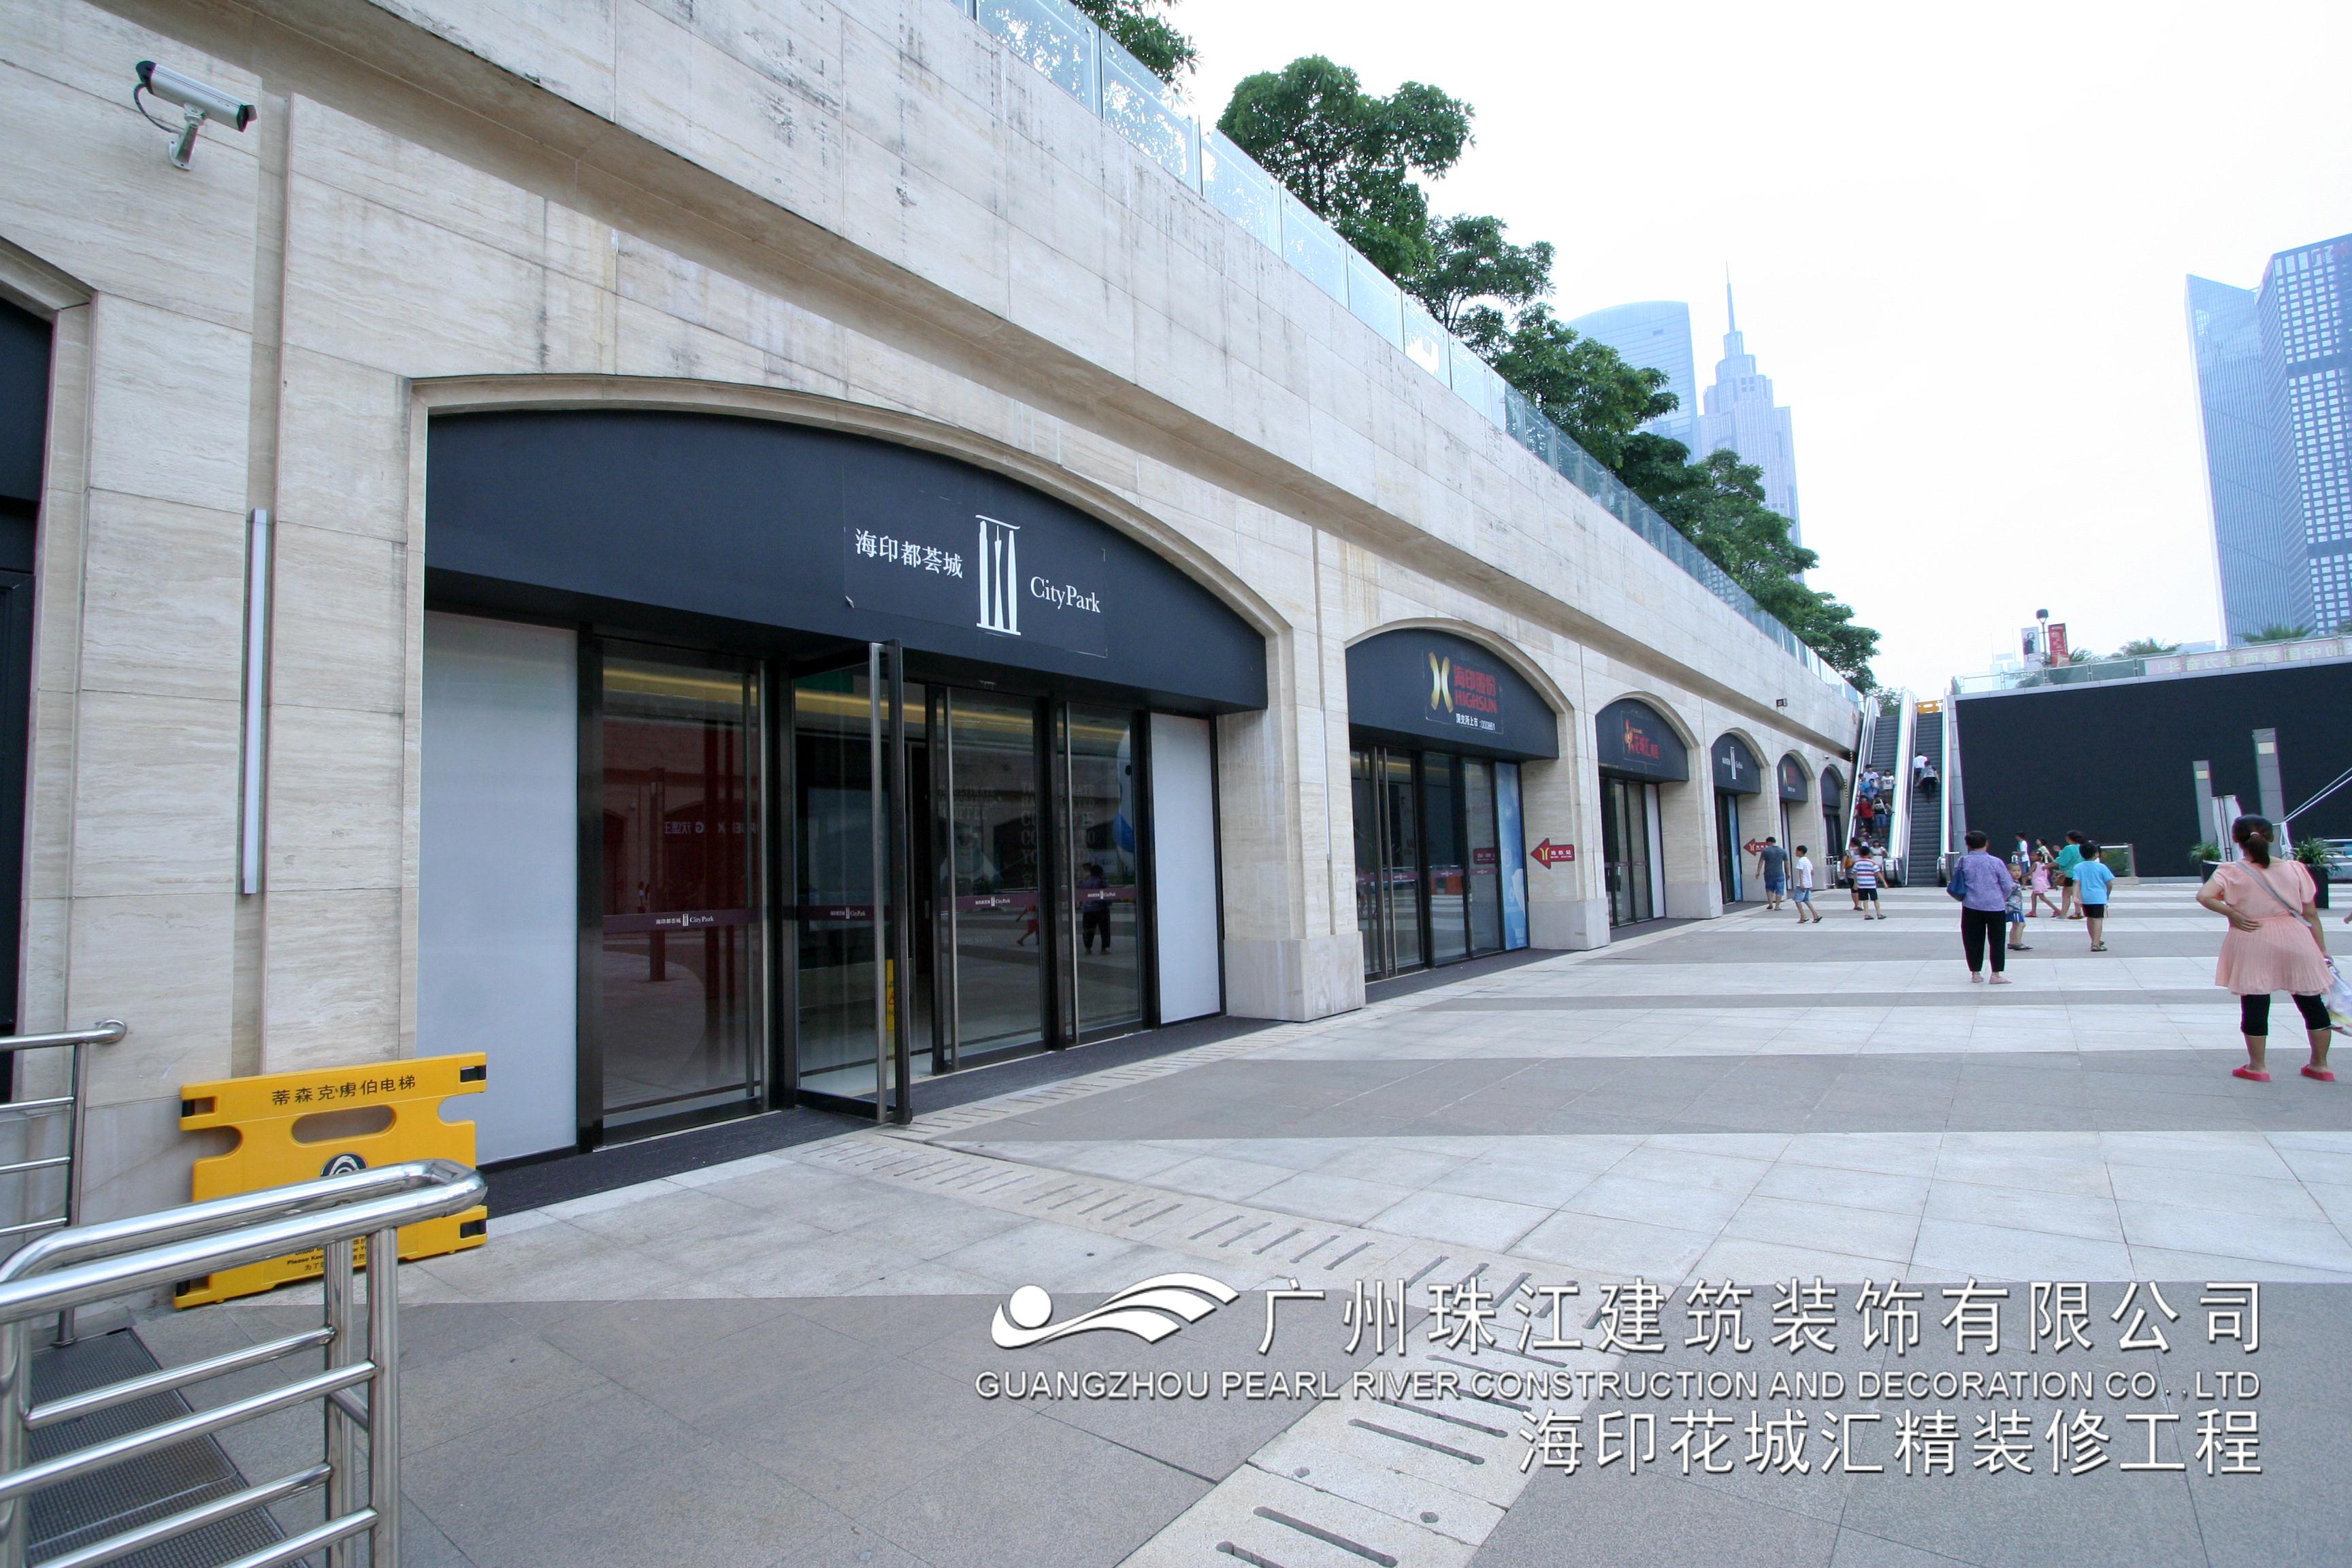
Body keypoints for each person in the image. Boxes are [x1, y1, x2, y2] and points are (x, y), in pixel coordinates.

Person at [2197, 814, 2336, 1082]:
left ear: (2237, 840)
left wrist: (2233, 914)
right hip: (2296, 937)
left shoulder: (2230, 871)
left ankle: (2257, 1067)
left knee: (2255, 1001)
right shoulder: (2295, 869)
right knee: (2311, 1002)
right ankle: (2320, 1065)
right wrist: (2322, 949)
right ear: (2271, 837)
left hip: (2252, 936)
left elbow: (2204, 896)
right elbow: (2311, 914)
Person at [1948, 828, 2017, 983]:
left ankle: (1976, 973)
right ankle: (1996, 974)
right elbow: (2007, 884)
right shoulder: (1996, 862)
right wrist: (2002, 898)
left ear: (1968, 845)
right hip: (1995, 906)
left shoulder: (1963, 861)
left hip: (1971, 905)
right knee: (1997, 940)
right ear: (1987, 843)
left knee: (1972, 940)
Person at [2072, 844, 2117, 952]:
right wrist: (2107, 894)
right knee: (2098, 919)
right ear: (2096, 854)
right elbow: (2109, 883)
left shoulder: (2078, 867)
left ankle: (2094, 940)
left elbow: (2076, 882)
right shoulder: (2101, 867)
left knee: (2090, 918)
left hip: (2086, 897)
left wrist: (2075, 896)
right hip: (2099, 897)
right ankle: (2096, 944)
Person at [2055, 832, 2086, 919]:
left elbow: (2062, 861)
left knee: (2067, 895)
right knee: (2076, 893)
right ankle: (2077, 912)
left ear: (2069, 838)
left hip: (2070, 875)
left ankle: (2064, 914)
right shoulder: (2083, 847)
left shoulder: (2069, 848)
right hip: (2081, 874)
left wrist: (2047, 866)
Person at [1850, 842, 1884, 919]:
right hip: (1871, 884)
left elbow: (1855, 873)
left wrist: (1855, 883)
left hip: (1861, 885)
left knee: (1865, 900)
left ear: (1860, 854)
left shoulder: (1857, 863)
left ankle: (1867, 914)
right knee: (1875, 899)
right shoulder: (1872, 862)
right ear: (1869, 853)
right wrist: (1884, 882)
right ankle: (1879, 914)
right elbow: (1878, 873)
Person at [2028, 846, 2061, 918]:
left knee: (2042, 898)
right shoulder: (2043, 864)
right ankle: (2033, 911)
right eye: (2031, 855)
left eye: (2034, 856)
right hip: (2041, 882)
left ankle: (2057, 910)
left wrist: (2027, 876)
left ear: (2039, 857)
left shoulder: (2035, 864)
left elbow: (2030, 872)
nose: (2031, 857)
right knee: (2033, 896)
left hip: (2037, 883)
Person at [1791, 844, 1821, 924]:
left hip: (1803, 884)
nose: (1795, 853)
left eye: (1797, 851)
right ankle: (1816, 915)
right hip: (1809, 883)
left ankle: (1803, 916)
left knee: (1797, 900)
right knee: (1806, 900)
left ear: (1800, 852)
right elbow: (1812, 873)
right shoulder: (1808, 861)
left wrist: (1801, 883)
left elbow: (1801, 872)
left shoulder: (1801, 861)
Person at [1758, 836, 1789, 911]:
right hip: (1779, 873)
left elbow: (1761, 862)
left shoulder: (1765, 851)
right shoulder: (1783, 851)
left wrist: (1758, 871)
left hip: (1768, 873)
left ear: (1769, 842)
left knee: (1769, 888)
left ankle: (1770, 904)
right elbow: (1787, 863)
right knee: (1780, 889)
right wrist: (1788, 873)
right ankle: (1777, 906)